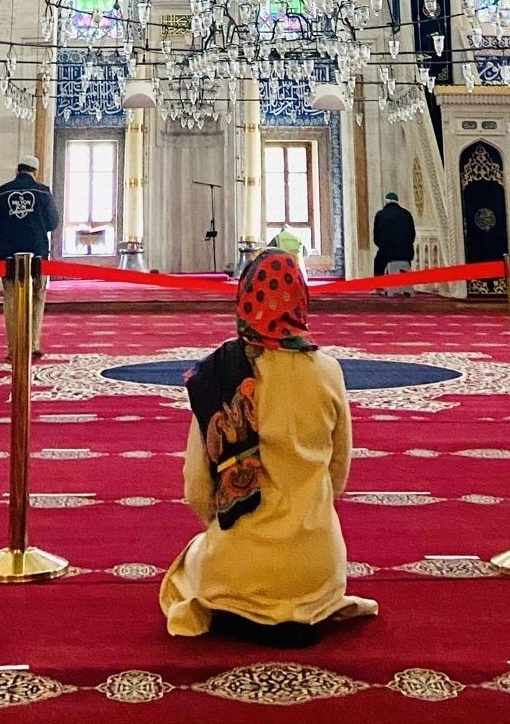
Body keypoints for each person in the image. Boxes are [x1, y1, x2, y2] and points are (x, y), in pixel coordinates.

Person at [159, 246, 378, 645]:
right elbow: (338, 474)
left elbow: (195, 486)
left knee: (186, 567)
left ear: (244, 300)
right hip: (318, 566)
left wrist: (227, 520)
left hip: (239, 567)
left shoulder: (219, 377)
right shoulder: (327, 372)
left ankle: (238, 603)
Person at [0, 158, 60, 360]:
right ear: (35, 171)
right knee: (37, 295)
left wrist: (10, 229)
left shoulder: (2, 191)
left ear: (16, 170)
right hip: (37, 252)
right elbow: (53, 222)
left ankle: (14, 348)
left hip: (8, 251)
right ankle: (33, 344)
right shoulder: (43, 192)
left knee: (11, 298)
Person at [372, 191, 416, 292]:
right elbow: (412, 235)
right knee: (405, 262)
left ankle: (378, 287)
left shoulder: (380, 214)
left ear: (386, 202)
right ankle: (406, 286)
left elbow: (376, 237)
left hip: (387, 252)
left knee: (378, 261)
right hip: (406, 252)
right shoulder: (407, 214)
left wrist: (383, 246)